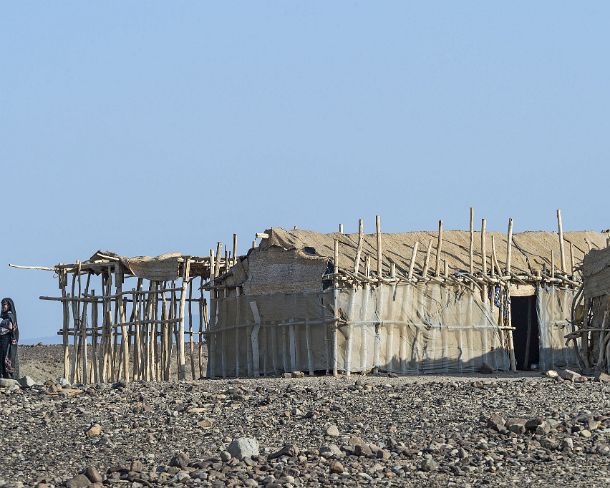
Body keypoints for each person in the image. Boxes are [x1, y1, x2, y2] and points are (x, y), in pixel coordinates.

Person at [0, 298, 19, 379]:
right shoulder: (5, 316)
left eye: (4, 305)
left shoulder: (10, 315)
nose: (3, 307)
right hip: (2, 340)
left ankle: (7, 377)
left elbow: (11, 328)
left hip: (6, 340)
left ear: (9, 305)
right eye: (2, 305)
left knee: (5, 357)